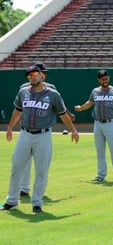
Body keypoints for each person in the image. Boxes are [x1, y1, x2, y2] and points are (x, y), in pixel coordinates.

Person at [0, 65, 79, 213]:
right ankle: (11, 201)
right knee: (16, 167)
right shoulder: (23, 92)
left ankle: (37, 202)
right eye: (29, 75)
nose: (32, 77)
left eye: (34, 74)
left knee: (41, 170)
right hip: (25, 134)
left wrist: (73, 130)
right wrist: (10, 127)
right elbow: (17, 111)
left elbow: (63, 114)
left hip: (43, 136)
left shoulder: (53, 94)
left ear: (42, 75)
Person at [19, 61, 76, 197]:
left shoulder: (51, 88)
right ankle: (24, 188)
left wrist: (68, 114)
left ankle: (38, 191)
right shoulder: (24, 88)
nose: (44, 74)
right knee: (24, 161)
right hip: (26, 130)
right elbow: (21, 107)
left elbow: (59, 104)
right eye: (41, 72)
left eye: (43, 72)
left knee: (42, 162)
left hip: (43, 131)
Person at [74, 70, 113, 182]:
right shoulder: (95, 91)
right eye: (103, 79)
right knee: (100, 151)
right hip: (98, 123)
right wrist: (81, 108)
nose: (105, 81)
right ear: (98, 80)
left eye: (106, 79)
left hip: (110, 123)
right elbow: (90, 103)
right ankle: (101, 174)